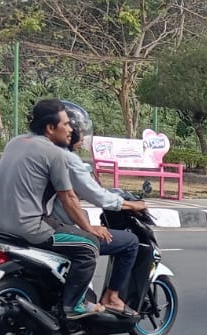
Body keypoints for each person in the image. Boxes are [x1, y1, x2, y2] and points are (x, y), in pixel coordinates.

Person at [0, 98, 111, 320]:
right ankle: (75, 305)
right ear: (50, 128)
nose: (71, 130)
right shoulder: (56, 154)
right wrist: (89, 228)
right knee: (88, 245)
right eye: (66, 124)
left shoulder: (14, 142)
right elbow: (69, 198)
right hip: (28, 227)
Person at [54, 101, 147, 317]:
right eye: (71, 129)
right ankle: (111, 298)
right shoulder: (66, 159)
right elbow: (91, 195)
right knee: (130, 242)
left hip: (31, 224)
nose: (75, 134)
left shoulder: (37, 152)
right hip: (55, 227)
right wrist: (130, 204)